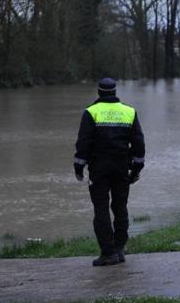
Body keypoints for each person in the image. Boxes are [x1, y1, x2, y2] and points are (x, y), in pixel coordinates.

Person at [74, 78, 145, 266]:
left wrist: (78, 168)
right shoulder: (129, 112)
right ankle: (120, 249)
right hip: (122, 167)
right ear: (114, 92)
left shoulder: (91, 112)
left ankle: (108, 252)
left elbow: (83, 143)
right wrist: (136, 169)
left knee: (101, 208)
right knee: (120, 207)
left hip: (99, 169)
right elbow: (139, 144)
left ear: (99, 93)